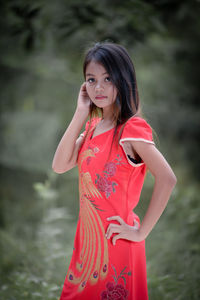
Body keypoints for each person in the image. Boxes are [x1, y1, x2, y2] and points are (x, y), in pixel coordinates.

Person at [52, 42, 177, 300]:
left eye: (107, 78)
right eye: (91, 79)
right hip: (87, 246)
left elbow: (167, 178)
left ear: (123, 79)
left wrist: (140, 232)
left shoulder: (131, 129)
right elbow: (60, 165)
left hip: (116, 242)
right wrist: (80, 113)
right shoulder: (94, 125)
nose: (98, 87)